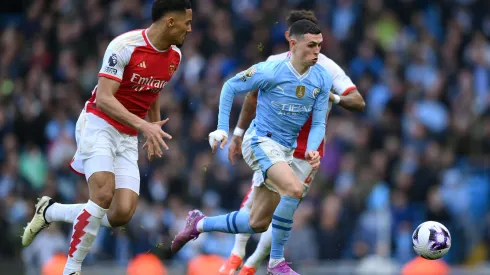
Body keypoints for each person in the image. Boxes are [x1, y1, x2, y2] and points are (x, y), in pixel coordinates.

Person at [21, 1, 192, 274]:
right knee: (102, 194)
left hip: (127, 134)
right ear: (170, 21)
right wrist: (144, 126)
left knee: (121, 213)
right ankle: (72, 268)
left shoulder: (175, 57)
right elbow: (103, 98)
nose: (190, 28)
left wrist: (153, 124)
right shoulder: (124, 46)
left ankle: (50, 212)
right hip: (98, 124)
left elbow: (154, 88)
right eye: (187, 23)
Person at [171, 19, 331, 275]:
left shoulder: (322, 77)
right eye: (311, 45)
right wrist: (223, 128)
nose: (317, 51)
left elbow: (319, 124)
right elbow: (230, 86)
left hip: (284, 152)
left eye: (320, 45)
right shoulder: (271, 70)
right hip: (259, 141)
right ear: (293, 43)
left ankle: (198, 224)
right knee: (294, 189)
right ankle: (276, 262)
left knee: (256, 222)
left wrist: (312, 149)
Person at [220, 10, 365, 275]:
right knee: (257, 200)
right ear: (291, 39)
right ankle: (237, 254)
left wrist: (335, 98)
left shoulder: (328, 69)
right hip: (272, 142)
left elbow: (358, 101)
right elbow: (251, 97)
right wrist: (238, 134)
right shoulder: (275, 63)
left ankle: (252, 264)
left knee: (283, 210)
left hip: (307, 153)